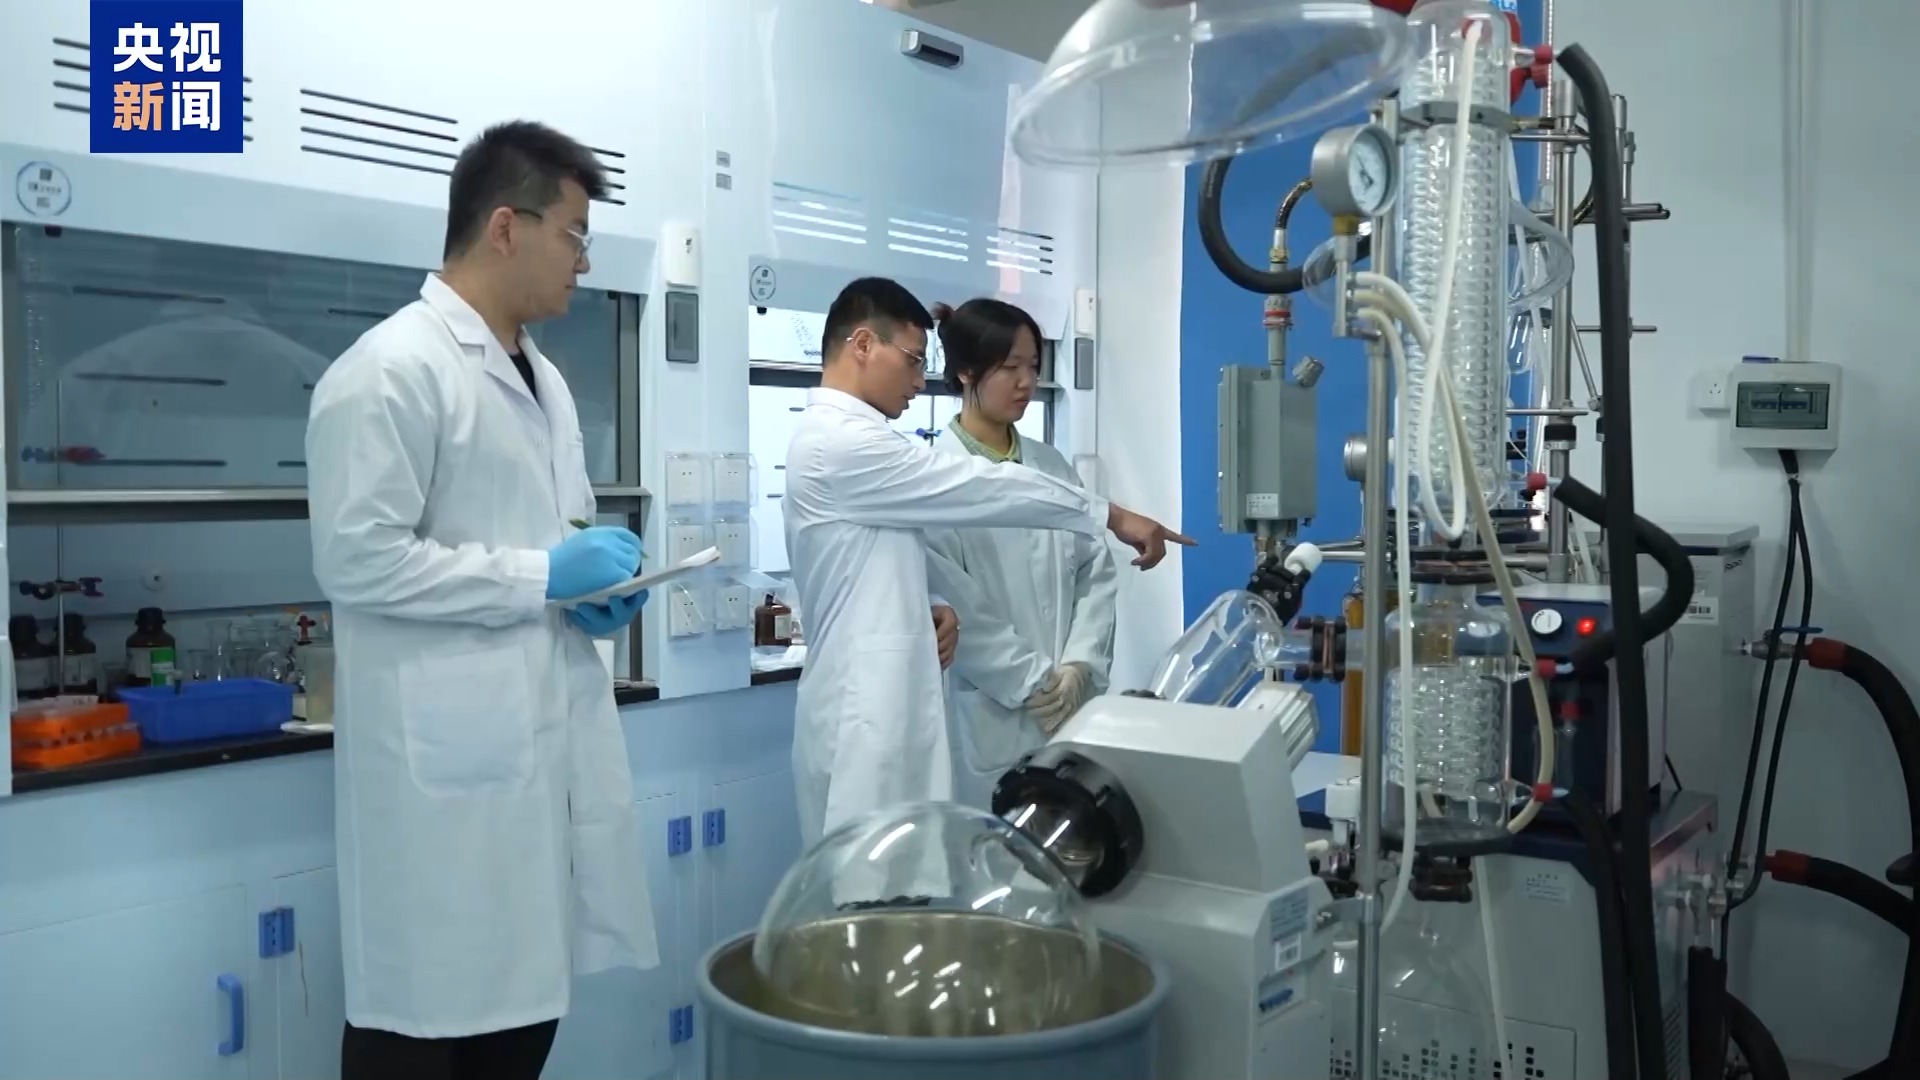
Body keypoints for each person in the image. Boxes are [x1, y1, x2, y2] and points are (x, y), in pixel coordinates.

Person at [306, 120, 657, 1080]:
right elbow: (358, 560)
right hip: (440, 787)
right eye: (575, 234)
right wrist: (543, 578)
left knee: (519, 1025)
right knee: (421, 1034)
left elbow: (555, 530)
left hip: (535, 765)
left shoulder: (546, 381)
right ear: (506, 227)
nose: (585, 260)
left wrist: (596, 594)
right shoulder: (389, 371)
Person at [782, 276, 1191, 849]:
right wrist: (1110, 513)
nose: (919, 380)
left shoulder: (864, 445)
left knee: (914, 876)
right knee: (879, 878)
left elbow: (881, 564)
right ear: (864, 345)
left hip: (895, 712)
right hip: (870, 719)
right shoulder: (843, 444)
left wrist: (933, 604)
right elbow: (984, 487)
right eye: (913, 360)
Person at [923, 299, 1117, 811]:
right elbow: (954, 601)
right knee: (991, 845)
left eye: (1033, 366)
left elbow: (1095, 571)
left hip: (1070, 709)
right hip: (995, 710)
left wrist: (1080, 664)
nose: (1027, 382)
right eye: (1010, 367)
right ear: (966, 371)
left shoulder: (1051, 466)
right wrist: (1033, 682)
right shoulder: (937, 478)